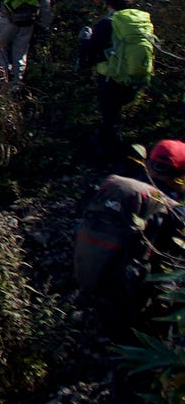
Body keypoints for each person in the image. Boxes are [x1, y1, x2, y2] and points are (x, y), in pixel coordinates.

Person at [74, 139, 185, 337]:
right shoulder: (170, 208)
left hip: (99, 279)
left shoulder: (118, 186)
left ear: (149, 164)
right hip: (136, 296)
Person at [80, 0, 159, 152]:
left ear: (108, 3)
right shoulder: (141, 21)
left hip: (111, 77)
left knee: (110, 116)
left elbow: (92, 49)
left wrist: (85, 39)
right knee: (115, 115)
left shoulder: (107, 23)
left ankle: (110, 153)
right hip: (137, 75)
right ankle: (112, 144)